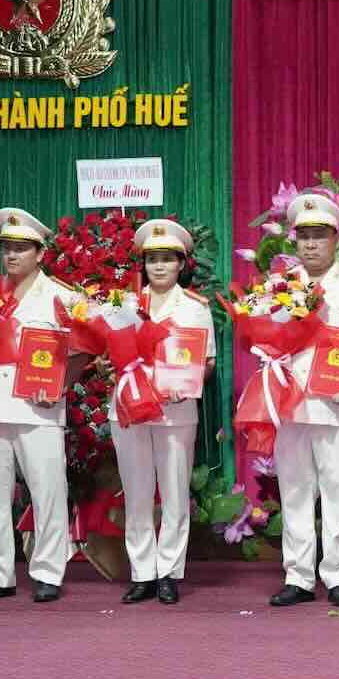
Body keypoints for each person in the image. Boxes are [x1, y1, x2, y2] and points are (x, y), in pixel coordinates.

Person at [0, 208, 82, 604]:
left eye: (20, 248)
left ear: (40, 252)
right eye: (6, 248)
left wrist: (62, 384)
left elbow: (86, 348)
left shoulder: (62, 297)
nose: (12, 256)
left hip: (39, 408)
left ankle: (48, 571)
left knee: (48, 491)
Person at [269, 192, 339, 609]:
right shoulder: (277, 288)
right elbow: (263, 340)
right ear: (294, 241)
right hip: (291, 402)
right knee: (294, 490)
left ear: (337, 240)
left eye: (320, 236)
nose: (311, 244)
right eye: (304, 236)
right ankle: (297, 575)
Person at [116, 218, 212, 605]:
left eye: (166, 260)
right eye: (151, 259)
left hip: (176, 411)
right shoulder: (122, 305)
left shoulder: (194, 308)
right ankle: (142, 573)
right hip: (129, 406)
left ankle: (170, 572)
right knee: (137, 492)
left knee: (173, 491)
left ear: (180, 264)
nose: (158, 266)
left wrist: (186, 381)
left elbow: (207, 362)